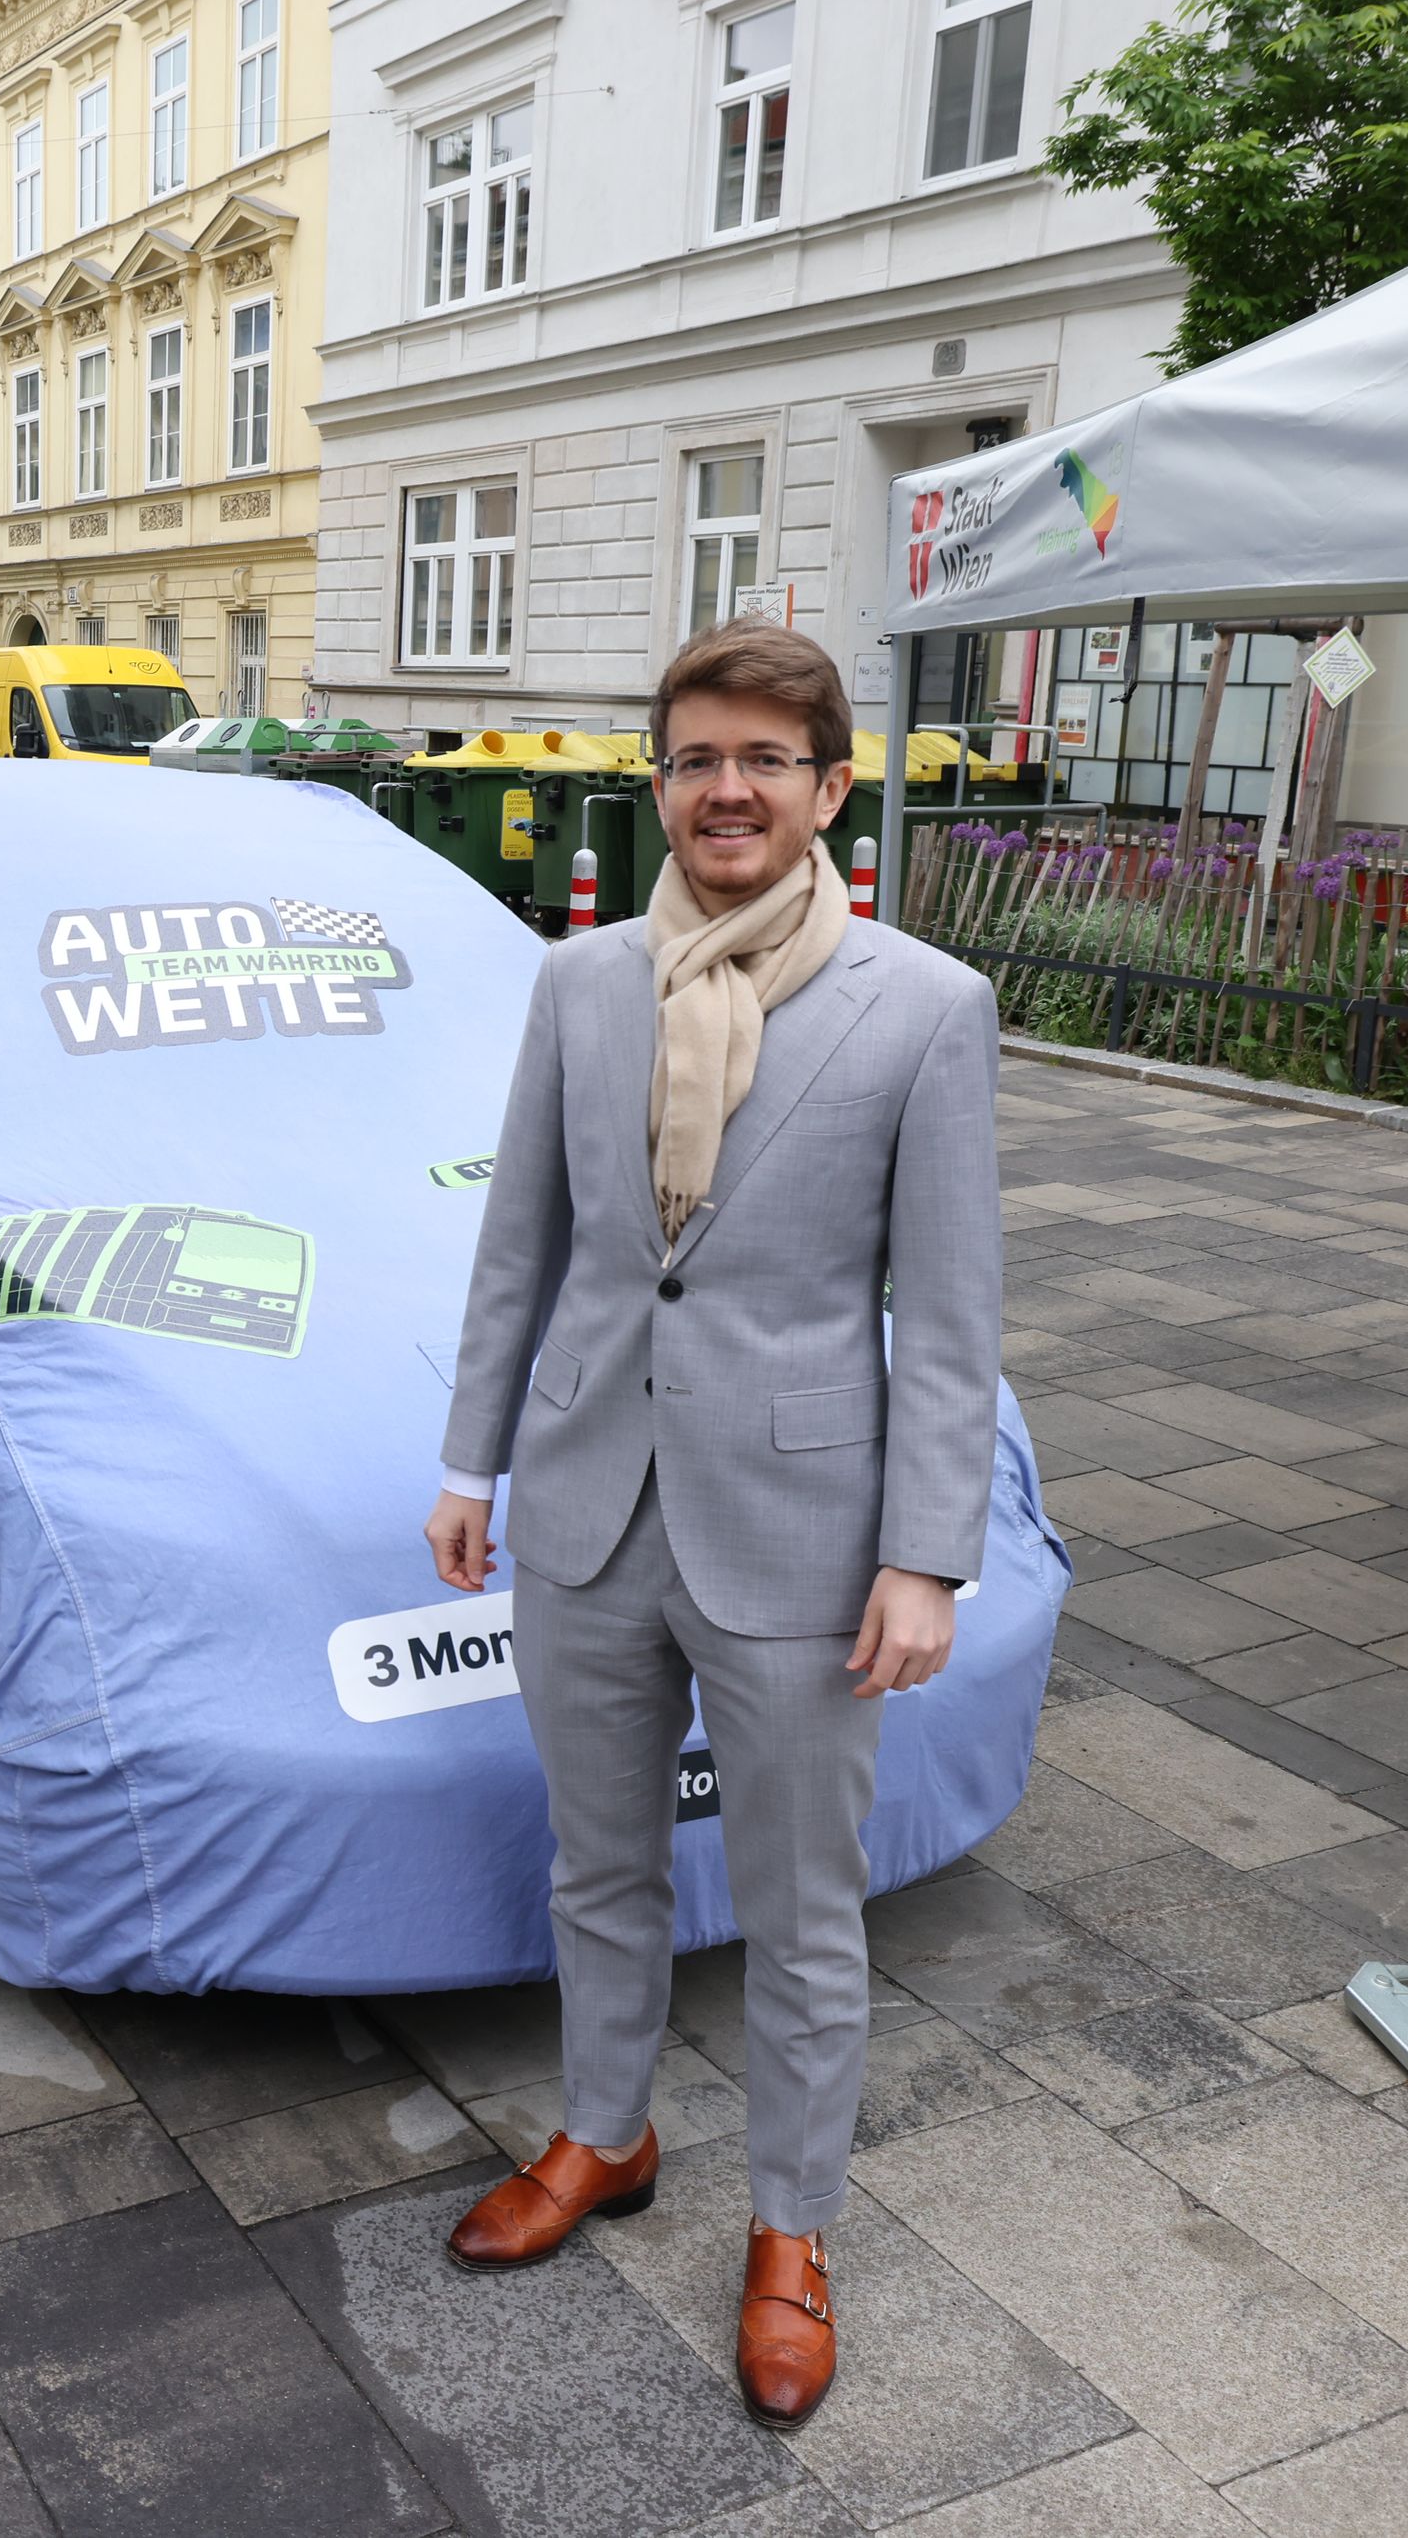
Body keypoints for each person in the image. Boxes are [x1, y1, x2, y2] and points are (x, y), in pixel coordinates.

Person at [423, 620, 1000, 2430]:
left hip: (803, 1534)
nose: (726, 789)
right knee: (595, 1864)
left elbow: (953, 1313)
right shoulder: (580, 986)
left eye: (765, 760)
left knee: (800, 1910)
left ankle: (793, 2229)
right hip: (591, 1500)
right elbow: (524, 1242)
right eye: (695, 759)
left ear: (830, 788)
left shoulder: (924, 1005)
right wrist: (471, 1463)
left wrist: (926, 1554)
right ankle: (606, 2132)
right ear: (657, 781)